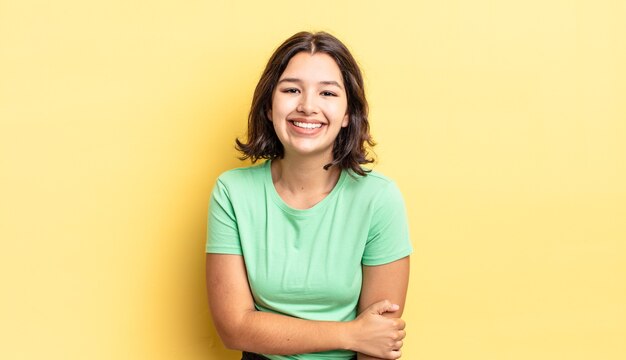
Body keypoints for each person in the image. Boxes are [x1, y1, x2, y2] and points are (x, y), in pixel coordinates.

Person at [206, 31, 413, 360]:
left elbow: (379, 340)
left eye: (328, 93)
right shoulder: (232, 192)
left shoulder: (379, 198)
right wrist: (350, 334)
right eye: (291, 89)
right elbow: (234, 328)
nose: (307, 106)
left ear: (348, 114)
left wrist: (364, 338)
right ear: (268, 107)